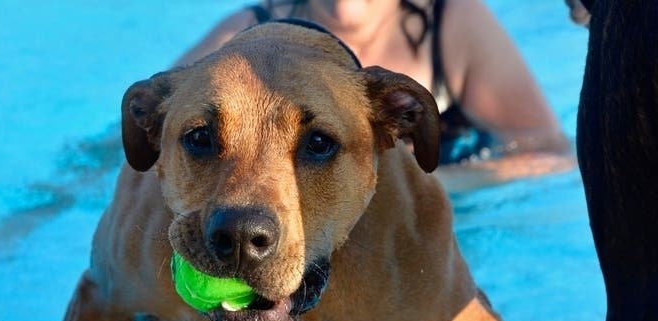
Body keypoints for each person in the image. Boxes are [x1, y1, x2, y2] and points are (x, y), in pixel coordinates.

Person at [174, 0, 574, 193]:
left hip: (455, 218)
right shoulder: (250, 34)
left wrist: (424, 188)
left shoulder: (450, 21)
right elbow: (142, 132)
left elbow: (552, 154)